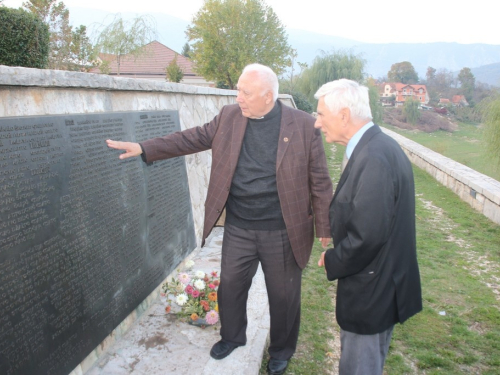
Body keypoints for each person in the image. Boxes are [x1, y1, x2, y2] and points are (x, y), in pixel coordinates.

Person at [106, 63, 333, 375]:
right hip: (239, 225)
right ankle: (232, 336)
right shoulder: (229, 116)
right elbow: (191, 138)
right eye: (238, 89)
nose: (238, 96)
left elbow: (319, 180)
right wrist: (145, 148)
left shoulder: (304, 125)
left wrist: (325, 226)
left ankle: (281, 350)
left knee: (284, 296)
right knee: (231, 287)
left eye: (245, 92)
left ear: (268, 96)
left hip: (282, 229)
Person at [314, 79, 422, 375]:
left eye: (321, 114)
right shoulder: (377, 146)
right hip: (380, 282)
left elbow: (368, 235)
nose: (317, 123)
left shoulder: (373, 157)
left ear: (344, 115)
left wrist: (334, 259)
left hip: (372, 291)